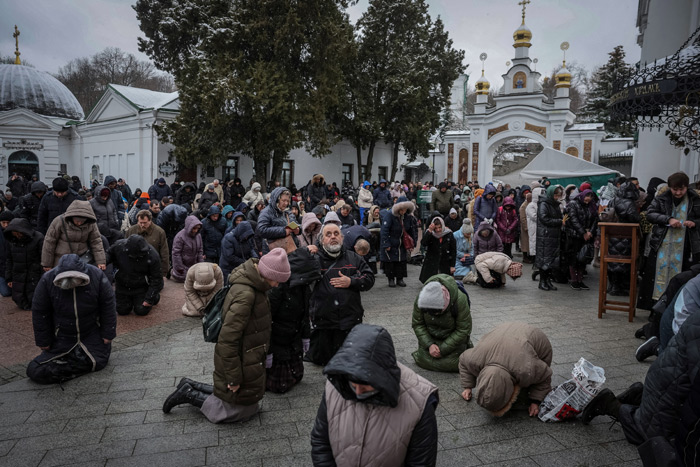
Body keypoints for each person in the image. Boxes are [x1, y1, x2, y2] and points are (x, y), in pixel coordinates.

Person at [162, 249, 291, 423]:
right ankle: (188, 394)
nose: (277, 285)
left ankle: (190, 385)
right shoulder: (247, 295)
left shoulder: (254, 286)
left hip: (246, 358)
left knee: (247, 403)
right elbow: (228, 340)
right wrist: (233, 378)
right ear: (267, 273)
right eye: (277, 280)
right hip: (240, 360)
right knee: (234, 412)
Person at [310, 324, 439, 467]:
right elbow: (320, 442)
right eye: (353, 385)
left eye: (365, 387)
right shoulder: (337, 383)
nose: (358, 392)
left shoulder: (420, 402)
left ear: (381, 376)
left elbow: (421, 462)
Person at [581, 310, 700, 453]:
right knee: (650, 435)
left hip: (671, 381)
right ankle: (609, 404)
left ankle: (639, 397)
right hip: (671, 387)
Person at [26, 254, 117, 384]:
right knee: (34, 370)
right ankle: (69, 366)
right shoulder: (47, 280)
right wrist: (44, 340)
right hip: (63, 336)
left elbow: (108, 305)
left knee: (98, 361)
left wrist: (108, 333)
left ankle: (68, 367)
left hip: (91, 332)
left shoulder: (96, 275)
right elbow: (40, 312)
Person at [306, 223, 375, 366]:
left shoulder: (354, 258)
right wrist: (303, 253)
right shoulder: (314, 259)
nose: (333, 237)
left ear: (342, 238)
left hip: (349, 320)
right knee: (322, 361)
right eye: (328, 234)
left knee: (349, 360)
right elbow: (293, 273)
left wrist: (351, 281)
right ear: (321, 239)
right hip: (324, 323)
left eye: (336, 233)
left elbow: (369, 278)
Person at [459, 322, 552, 417]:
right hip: (505, 332)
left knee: (526, 389)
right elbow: (463, 360)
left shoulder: (525, 370)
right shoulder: (476, 360)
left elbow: (545, 375)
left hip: (537, 338)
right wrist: (468, 386)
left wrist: (535, 401)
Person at [266, 247, 320, 393]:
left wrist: (305, 336)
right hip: (278, 336)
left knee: (296, 376)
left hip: (293, 333)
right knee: (279, 385)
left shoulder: (303, 287)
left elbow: (305, 313)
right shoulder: (278, 288)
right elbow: (266, 321)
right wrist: (268, 351)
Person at [643, 172, 700, 306]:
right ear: (670, 187)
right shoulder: (661, 198)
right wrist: (668, 219)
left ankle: (677, 306)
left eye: (682, 189)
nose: (678, 192)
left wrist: (694, 223)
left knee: (682, 276)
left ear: (687, 187)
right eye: (675, 189)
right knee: (657, 277)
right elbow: (650, 214)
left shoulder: (695, 199)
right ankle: (656, 307)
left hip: (687, 247)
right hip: (662, 244)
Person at [412, 275, 472, 372]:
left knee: (453, 364)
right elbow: (418, 324)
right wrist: (429, 345)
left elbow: (463, 329)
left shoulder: (459, 300)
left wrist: (443, 349)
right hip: (430, 339)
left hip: (452, 340)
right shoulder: (422, 298)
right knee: (425, 360)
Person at [41, 200, 106, 271]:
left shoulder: (91, 224)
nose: (79, 223)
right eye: (77, 221)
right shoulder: (59, 221)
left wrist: (101, 261)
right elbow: (49, 242)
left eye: (82, 221)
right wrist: (47, 263)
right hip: (61, 260)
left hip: (81, 260)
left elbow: (96, 242)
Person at [109, 235, 164, 316]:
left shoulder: (152, 255)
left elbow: (157, 279)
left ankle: (155, 297)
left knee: (141, 311)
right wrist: (102, 263)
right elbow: (108, 254)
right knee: (122, 311)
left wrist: (149, 299)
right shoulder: (119, 246)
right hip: (122, 283)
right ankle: (130, 300)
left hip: (141, 286)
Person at [4, 217, 43, 309]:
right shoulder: (12, 240)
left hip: (34, 270)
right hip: (19, 271)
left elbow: (43, 258)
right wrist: (9, 278)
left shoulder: (38, 238)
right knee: (21, 295)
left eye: (18, 233)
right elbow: (9, 259)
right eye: (15, 233)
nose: (17, 235)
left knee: (34, 293)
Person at [380, 196, 417, 288]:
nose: (403, 211)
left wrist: (413, 243)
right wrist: (386, 243)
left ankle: (400, 278)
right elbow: (384, 230)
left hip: (402, 242)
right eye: (402, 209)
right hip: (392, 241)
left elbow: (411, 230)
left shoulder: (408, 217)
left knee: (402, 261)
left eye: (405, 209)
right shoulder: (389, 215)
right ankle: (391, 278)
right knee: (391, 261)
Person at [564, 189, 596, 290]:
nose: (587, 202)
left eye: (589, 200)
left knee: (583, 258)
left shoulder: (590, 206)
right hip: (574, 235)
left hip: (585, 236)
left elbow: (594, 219)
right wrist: (583, 233)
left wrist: (590, 232)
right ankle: (574, 280)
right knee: (574, 258)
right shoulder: (573, 204)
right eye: (586, 200)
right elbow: (573, 219)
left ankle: (580, 280)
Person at [536, 185, 565, 291]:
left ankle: (547, 281)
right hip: (545, 235)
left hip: (553, 235)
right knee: (545, 259)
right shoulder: (544, 204)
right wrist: (559, 222)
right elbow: (544, 218)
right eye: (556, 195)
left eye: (558, 195)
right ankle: (542, 281)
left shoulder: (555, 204)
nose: (557, 197)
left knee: (550, 260)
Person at [125, 210, 170, 276]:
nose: (142, 225)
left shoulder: (159, 232)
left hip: (152, 267)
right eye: (140, 223)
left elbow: (164, 253)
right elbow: (125, 249)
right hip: (135, 267)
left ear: (150, 221)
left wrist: (164, 272)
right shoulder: (131, 231)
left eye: (145, 223)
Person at [257, 187, 299, 252]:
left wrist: (298, 230)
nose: (286, 203)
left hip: (288, 249)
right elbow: (262, 230)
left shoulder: (287, 211)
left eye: (287, 201)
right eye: (283, 200)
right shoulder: (266, 212)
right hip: (273, 251)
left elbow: (296, 223)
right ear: (276, 199)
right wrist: (284, 231)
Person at [419, 216, 456, 283]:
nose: (438, 230)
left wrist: (452, 265)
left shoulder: (449, 234)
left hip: (445, 261)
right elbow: (423, 243)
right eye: (436, 228)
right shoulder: (430, 233)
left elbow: (453, 250)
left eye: (440, 227)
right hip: (432, 261)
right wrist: (429, 231)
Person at [171, 215, 205, 282]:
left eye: (197, 228)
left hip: (193, 266)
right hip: (183, 268)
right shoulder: (180, 237)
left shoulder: (198, 236)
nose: (195, 230)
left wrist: (201, 265)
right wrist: (181, 269)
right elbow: (176, 254)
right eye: (194, 228)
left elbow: (200, 251)